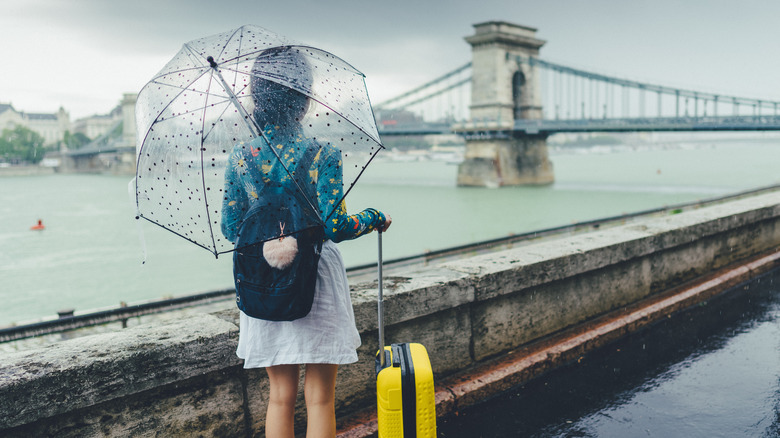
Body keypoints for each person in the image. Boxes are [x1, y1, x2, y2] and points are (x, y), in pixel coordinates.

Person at [220, 47, 391, 438]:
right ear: (306, 100)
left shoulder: (241, 157)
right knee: (320, 398)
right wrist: (373, 217)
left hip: (264, 277)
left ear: (254, 99)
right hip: (317, 275)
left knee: (279, 395)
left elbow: (232, 229)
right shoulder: (323, 153)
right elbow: (337, 228)